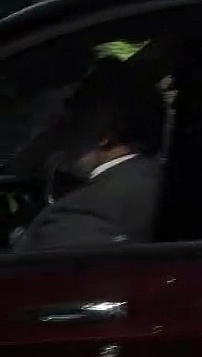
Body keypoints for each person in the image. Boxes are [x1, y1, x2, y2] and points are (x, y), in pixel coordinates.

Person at [11, 57, 167, 251]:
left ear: (104, 134)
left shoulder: (84, 213)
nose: (63, 134)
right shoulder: (159, 181)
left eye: (73, 117)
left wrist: (19, 243)